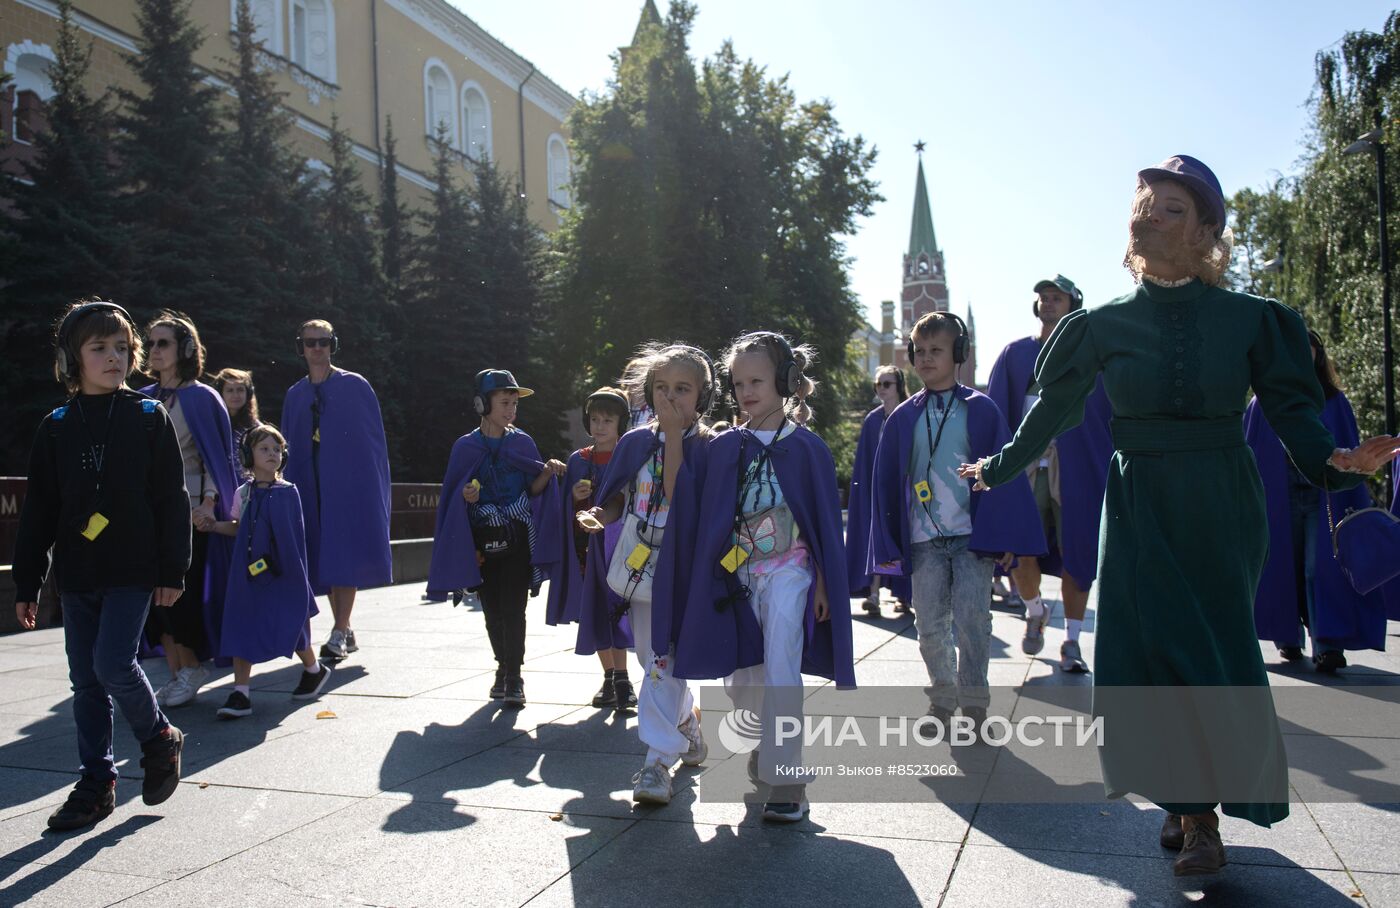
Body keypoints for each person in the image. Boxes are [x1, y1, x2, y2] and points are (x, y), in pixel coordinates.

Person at [960, 155, 1400, 876]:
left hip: (1221, 503)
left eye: (1172, 208)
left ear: (1205, 235)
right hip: (1138, 503)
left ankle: (1197, 808)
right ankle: (1192, 812)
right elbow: (1052, 412)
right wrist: (999, 467)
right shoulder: (1097, 326)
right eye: (1145, 202)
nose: (1150, 214)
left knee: (1211, 652)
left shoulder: (1255, 322)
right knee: (1146, 656)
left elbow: (1295, 415)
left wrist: (1338, 462)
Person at [13, 301, 186, 831]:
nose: (113, 358)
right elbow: (40, 509)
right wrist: (28, 581)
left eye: (121, 348)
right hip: (79, 571)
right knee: (85, 681)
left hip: (134, 569)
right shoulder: (57, 426)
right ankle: (96, 781)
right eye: (98, 349)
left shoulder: (147, 417)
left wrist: (172, 570)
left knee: (113, 665)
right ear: (73, 358)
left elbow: (170, 499)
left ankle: (158, 735)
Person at [678, 331, 855, 822]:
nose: (746, 391)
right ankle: (764, 745)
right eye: (738, 383)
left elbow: (821, 526)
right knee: (743, 678)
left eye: (757, 380)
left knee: (781, 666)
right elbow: (706, 513)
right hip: (737, 576)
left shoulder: (809, 449)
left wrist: (821, 581)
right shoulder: (723, 448)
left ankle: (786, 778)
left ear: (785, 380)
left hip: (790, 571)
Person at [871, 312, 1045, 726]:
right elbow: (887, 482)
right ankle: (942, 698)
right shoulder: (903, 418)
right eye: (921, 351)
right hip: (923, 537)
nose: (927, 359)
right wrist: (889, 539)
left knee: (973, 622)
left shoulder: (981, 410)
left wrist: (1005, 536)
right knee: (929, 625)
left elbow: (1004, 472)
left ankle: (974, 701)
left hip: (972, 536)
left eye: (938, 350)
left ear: (959, 355)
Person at [575, 344, 715, 805]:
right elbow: (618, 494)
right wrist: (602, 512)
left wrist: (674, 437)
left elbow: (679, 494)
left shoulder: (709, 444)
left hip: (684, 572)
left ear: (703, 396)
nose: (669, 398)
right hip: (639, 566)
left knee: (660, 663)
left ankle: (657, 762)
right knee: (652, 662)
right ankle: (688, 725)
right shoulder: (635, 442)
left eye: (682, 389)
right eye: (661, 388)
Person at [985, 275, 1114, 671]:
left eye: (1057, 297)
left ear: (1073, 303)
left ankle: (1072, 643)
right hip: (1025, 468)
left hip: (1076, 470)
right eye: (1043, 297)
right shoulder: (1016, 355)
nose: (1048, 303)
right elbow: (995, 412)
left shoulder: (1094, 359)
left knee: (1079, 553)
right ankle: (1035, 610)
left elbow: (1107, 418)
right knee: (1021, 551)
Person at [1247, 330, 1386, 672]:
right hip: (1279, 497)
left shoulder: (1334, 401)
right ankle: (1288, 637)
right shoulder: (1264, 401)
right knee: (1283, 565)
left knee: (1318, 567)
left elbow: (1350, 451)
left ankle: (1327, 644)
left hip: (1323, 498)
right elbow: (1251, 451)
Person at [425, 369, 565, 706]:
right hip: (480, 541)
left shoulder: (522, 442)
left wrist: (545, 474)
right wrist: (466, 495)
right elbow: (453, 496)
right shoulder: (465, 447)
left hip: (517, 536)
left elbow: (532, 490)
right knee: (492, 610)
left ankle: (514, 676)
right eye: (505, 402)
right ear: (481, 403)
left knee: (514, 608)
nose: (511, 410)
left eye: (515, 403)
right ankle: (503, 667)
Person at [281, 319, 392, 662]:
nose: (318, 348)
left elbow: (371, 445)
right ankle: (344, 627)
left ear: (333, 345)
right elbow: (289, 447)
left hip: (346, 489)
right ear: (301, 346)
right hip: (311, 489)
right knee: (325, 559)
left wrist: (369, 490)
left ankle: (339, 630)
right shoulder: (296, 394)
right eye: (311, 342)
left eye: (324, 342)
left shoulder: (354, 386)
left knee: (343, 556)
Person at [141, 311, 237, 708]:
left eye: (163, 342)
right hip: (148, 513)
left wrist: (210, 505)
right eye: (150, 343)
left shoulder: (201, 397)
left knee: (181, 592)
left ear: (184, 348)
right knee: (153, 598)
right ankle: (179, 672)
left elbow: (219, 458)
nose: (154, 350)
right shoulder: (144, 398)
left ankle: (193, 665)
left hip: (192, 511)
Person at [208, 424, 333, 718]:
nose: (272, 454)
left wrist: (294, 576)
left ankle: (313, 669)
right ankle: (241, 693)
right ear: (248, 455)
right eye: (264, 448)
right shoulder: (244, 493)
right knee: (241, 624)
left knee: (291, 621)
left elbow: (293, 540)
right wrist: (213, 526)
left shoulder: (289, 492)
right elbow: (239, 528)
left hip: (282, 572)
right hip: (247, 574)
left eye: (277, 449)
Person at [549, 387, 637, 710]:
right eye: (595, 419)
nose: (600, 426)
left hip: (622, 548)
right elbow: (565, 510)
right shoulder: (579, 460)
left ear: (621, 423)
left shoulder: (630, 457)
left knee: (618, 611)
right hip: (588, 549)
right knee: (596, 612)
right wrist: (575, 495)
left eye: (608, 420)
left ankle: (622, 678)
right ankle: (613, 678)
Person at [848, 364, 912, 617]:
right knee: (875, 539)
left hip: (903, 489)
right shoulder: (873, 419)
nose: (881, 389)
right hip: (877, 490)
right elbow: (864, 461)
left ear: (898, 386)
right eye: (878, 384)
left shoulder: (909, 415)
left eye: (887, 384)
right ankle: (873, 593)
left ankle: (904, 597)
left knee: (904, 540)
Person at [213, 367, 260, 482]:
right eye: (230, 390)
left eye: (240, 390)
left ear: (248, 393)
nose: (235, 395)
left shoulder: (256, 429)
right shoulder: (212, 424)